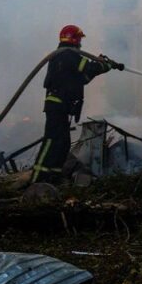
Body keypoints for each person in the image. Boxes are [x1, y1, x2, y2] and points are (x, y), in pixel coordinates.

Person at [31, 24, 123, 184]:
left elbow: (83, 78)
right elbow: (88, 67)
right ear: (73, 38)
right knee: (52, 140)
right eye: (79, 38)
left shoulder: (68, 56)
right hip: (57, 105)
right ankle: (38, 178)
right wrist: (105, 65)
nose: (80, 42)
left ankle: (53, 176)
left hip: (63, 106)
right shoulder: (67, 54)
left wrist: (104, 66)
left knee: (63, 142)